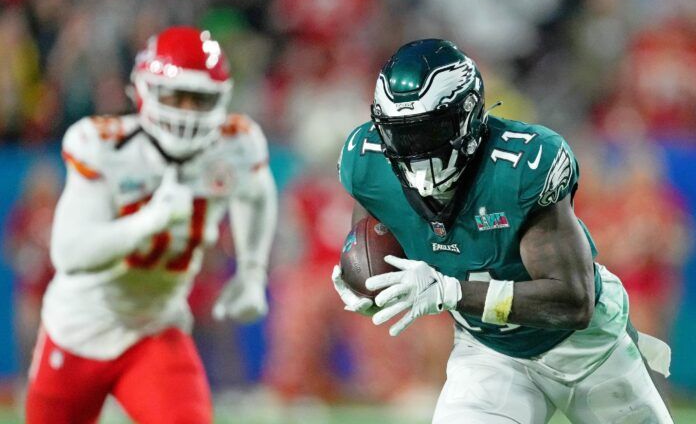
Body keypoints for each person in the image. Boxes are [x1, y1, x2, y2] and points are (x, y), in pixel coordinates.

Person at [333, 39, 672, 423]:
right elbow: (371, 242)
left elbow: (574, 301)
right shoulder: (367, 162)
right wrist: (366, 283)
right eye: (401, 133)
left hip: (587, 349)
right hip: (490, 351)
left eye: (429, 131)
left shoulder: (521, 164)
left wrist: (452, 291)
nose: (415, 150)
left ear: (467, 116)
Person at [25, 26, 277, 423]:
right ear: (145, 90)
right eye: (177, 96)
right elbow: (69, 252)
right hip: (78, 329)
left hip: (155, 329)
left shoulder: (235, 145)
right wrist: (148, 223)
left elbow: (258, 192)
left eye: (200, 99)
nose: (187, 111)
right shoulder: (106, 147)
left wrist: (251, 270)